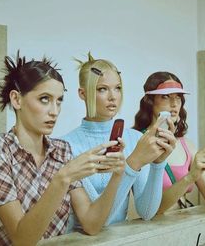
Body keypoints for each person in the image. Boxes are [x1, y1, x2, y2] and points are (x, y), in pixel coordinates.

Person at [0, 52, 126, 246]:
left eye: (59, 100)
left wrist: (117, 176)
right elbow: (22, 239)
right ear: (16, 99)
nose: (54, 111)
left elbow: (91, 224)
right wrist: (62, 179)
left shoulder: (62, 151)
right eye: (44, 99)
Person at [61, 53, 176, 230]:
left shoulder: (135, 139)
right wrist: (133, 163)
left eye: (118, 88)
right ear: (82, 94)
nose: (113, 96)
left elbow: (146, 212)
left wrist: (157, 165)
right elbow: (99, 222)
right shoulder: (66, 147)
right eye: (102, 89)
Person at [133, 71, 205, 213]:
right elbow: (150, 210)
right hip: (152, 231)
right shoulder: (137, 142)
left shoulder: (186, 144)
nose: (174, 103)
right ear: (149, 101)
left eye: (178, 97)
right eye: (166, 97)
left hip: (181, 228)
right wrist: (190, 177)